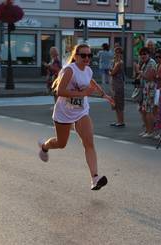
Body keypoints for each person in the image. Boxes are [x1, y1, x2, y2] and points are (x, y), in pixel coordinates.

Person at [38, 43, 108, 190]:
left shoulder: (88, 70)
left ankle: (95, 178)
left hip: (81, 112)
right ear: (76, 56)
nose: (87, 58)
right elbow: (60, 91)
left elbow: (91, 81)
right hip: (64, 112)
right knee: (61, 143)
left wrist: (104, 94)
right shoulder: (70, 70)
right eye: (83, 55)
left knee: (89, 143)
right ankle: (44, 146)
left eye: (90, 55)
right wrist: (82, 94)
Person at [138, 47, 157, 138]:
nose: (143, 56)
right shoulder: (145, 63)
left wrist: (140, 73)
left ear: (148, 54)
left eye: (145, 54)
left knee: (149, 111)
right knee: (144, 110)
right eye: (141, 54)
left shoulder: (152, 63)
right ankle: (147, 130)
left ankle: (151, 131)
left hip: (151, 89)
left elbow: (150, 77)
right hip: (146, 89)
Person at [109, 46, 125, 127]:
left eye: (119, 52)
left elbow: (112, 72)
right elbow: (110, 70)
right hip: (114, 84)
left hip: (118, 84)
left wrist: (110, 71)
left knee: (119, 103)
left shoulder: (119, 63)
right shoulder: (115, 62)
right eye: (116, 52)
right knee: (115, 103)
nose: (117, 54)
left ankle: (121, 121)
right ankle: (118, 120)